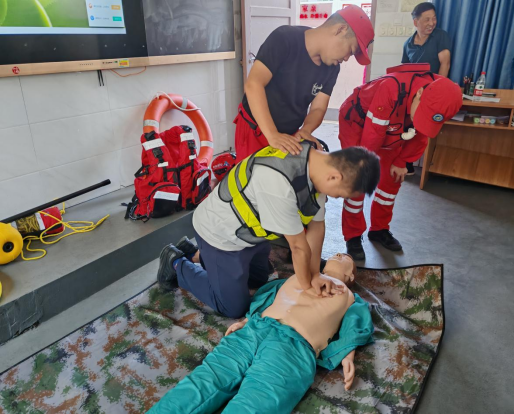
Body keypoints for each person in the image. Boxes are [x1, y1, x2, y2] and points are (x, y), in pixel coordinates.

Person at [156, 142, 380, 318]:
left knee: (258, 281)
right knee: (233, 307)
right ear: (335, 177)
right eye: (339, 194)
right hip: (220, 235)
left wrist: (315, 274)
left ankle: (196, 253)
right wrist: (307, 286)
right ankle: (176, 263)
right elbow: (298, 247)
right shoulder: (279, 181)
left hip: (250, 236)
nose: (335, 197)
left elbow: (317, 226)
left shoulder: (317, 166)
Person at [148, 253, 374, 414]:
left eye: (345, 257)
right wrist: (247, 320)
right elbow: (268, 298)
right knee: (203, 382)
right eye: (336, 253)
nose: (338, 254)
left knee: (255, 404)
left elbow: (354, 326)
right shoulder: (302, 275)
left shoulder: (351, 298)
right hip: (255, 329)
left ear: (351, 277)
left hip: (294, 348)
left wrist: (348, 354)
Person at [339, 64, 462, 258]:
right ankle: (353, 235)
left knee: (393, 178)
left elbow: (421, 134)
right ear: (420, 93)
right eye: (421, 115)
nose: (420, 120)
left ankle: (379, 229)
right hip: (358, 122)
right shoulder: (391, 88)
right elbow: (373, 134)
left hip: (392, 125)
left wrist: (403, 161)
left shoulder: (440, 96)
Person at [235, 5, 375, 162]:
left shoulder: (332, 68)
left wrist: (306, 130)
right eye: (351, 50)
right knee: (252, 175)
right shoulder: (284, 39)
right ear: (340, 30)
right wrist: (272, 134)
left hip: (290, 135)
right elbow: (254, 84)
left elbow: (318, 108)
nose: (347, 58)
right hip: (257, 129)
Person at [401, 2, 452, 176]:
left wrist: (437, 90)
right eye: (427, 19)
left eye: (434, 18)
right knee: (407, 126)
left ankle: (416, 163)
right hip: (413, 93)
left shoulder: (440, 36)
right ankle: (405, 162)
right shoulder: (408, 44)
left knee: (422, 128)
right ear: (416, 22)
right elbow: (404, 71)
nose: (432, 23)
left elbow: (445, 63)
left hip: (432, 91)